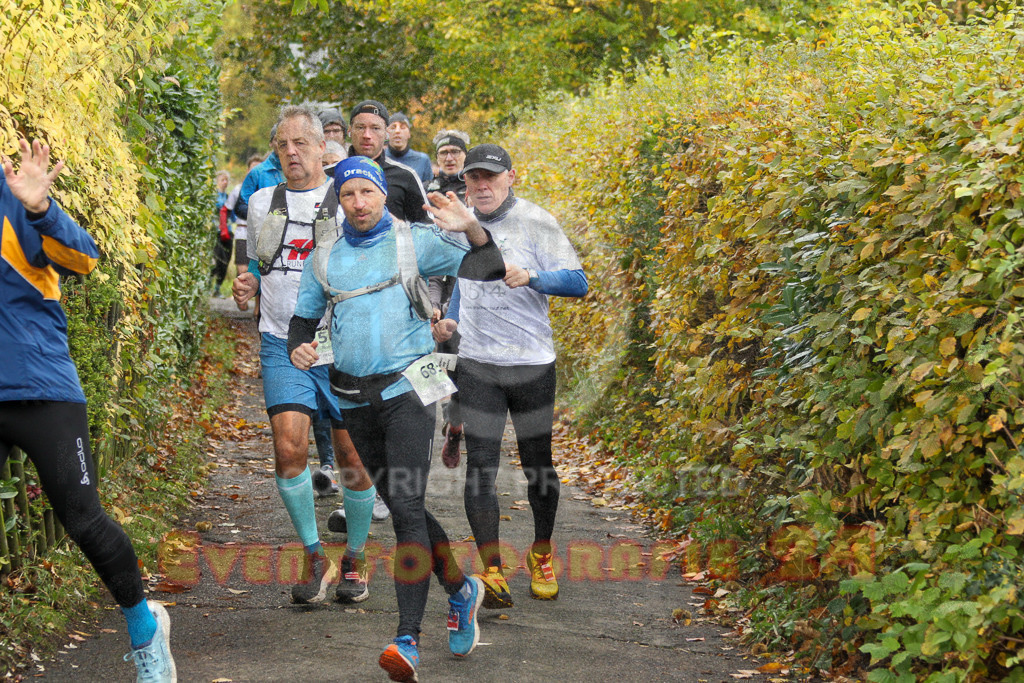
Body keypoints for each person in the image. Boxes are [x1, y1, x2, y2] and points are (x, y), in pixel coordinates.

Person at [287, 156, 505, 681]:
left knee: (405, 503)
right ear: (338, 202)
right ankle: (459, 589)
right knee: (406, 508)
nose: (358, 204)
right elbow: (301, 321)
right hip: (352, 396)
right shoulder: (326, 256)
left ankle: (407, 638)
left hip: (410, 387)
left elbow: (491, 268)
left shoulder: (416, 241)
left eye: (367, 192)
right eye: (348, 196)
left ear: (384, 193)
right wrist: (298, 347)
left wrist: (472, 228)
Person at [0, 139, 176, 681]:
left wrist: (40, 208)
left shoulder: (17, 197)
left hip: (41, 387)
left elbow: (84, 260)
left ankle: (145, 631)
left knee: (81, 517)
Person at [231, 105, 377, 604]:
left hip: (343, 349)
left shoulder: (349, 199)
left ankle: (355, 558)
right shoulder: (261, 202)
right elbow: (253, 268)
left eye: (301, 143)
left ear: (323, 147)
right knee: (289, 450)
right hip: (280, 343)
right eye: (283, 146)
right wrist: (245, 284)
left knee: (353, 459)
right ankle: (316, 558)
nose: (292, 153)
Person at [433, 143, 588, 608]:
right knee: (481, 467)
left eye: (490, 178)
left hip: (531, 362)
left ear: (511, 178)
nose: (481, 185)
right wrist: (452, 320)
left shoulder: (538, 221)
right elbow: (464, 282)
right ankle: (493, 569)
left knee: (538, 462)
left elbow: (578, 282)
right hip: (479, 363)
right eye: (473, 178)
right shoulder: (458, 222)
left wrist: (534, 277)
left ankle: (541, 552)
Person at [426, 129, 471, 467]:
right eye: (445, 152)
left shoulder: (477, 191)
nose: (451, 157)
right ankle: (447, 418)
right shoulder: (425, 192)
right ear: (437, 157)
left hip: (471, 281)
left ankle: (457, 417)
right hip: (437, 280)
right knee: (442, 353)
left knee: (463, 357)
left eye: (456, 151)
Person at [348, 100, 429, 224]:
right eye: (360, 127)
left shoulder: (405, 176)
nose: (367, 135)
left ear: (386, 134)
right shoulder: (330, 175)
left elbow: (426, 228)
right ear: (349, 130)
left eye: (375, 128)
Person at [385, 112, 433, 185]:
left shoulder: (423, 160)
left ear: (409, 134)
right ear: (387, 133)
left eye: (403, 127)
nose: (397, 131)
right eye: (393, 127)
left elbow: (429, 191)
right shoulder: (378, 159)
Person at [210, 170, 233, 295]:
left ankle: (217, 288)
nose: (225, 183)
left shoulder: (229, 197)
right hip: (217, 232)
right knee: (219, 260)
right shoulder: (213, 197)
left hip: (228, 232)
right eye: (222, 180)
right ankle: (209, 285)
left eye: (226, 180)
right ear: (217, 182)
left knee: (226, 261)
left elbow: (233, 216)